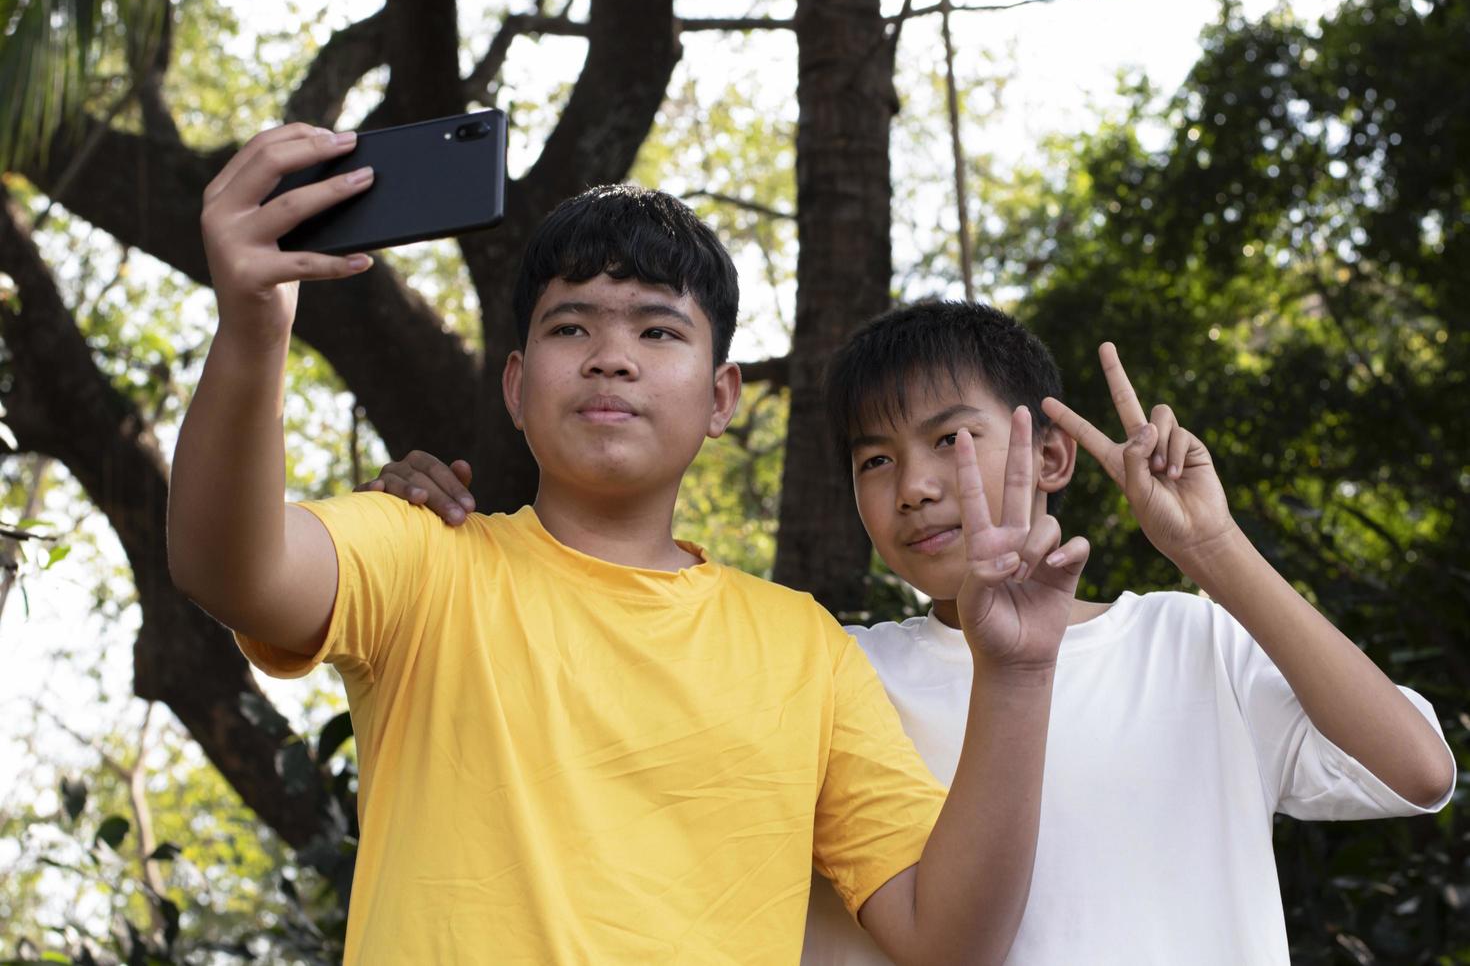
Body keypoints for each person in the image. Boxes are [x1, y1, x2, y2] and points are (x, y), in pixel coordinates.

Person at [167, 124, 1094, 964]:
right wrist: (255, 327)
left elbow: (950, 940)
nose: (612, 355)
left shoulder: (806, 646)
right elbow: (229, 568)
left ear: (723, 396)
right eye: (572, 327)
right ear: (518, 386)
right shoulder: (426, 556)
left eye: (658, 329)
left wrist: (1014, 677)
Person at [377, 299, 1457, 965]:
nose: (919, 487)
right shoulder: (828, 665)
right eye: (876, 459)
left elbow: (1416, 768)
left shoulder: (1187, 644)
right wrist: (459, 544)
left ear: (1050, 455)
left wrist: (1214, 551)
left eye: (952, 438)